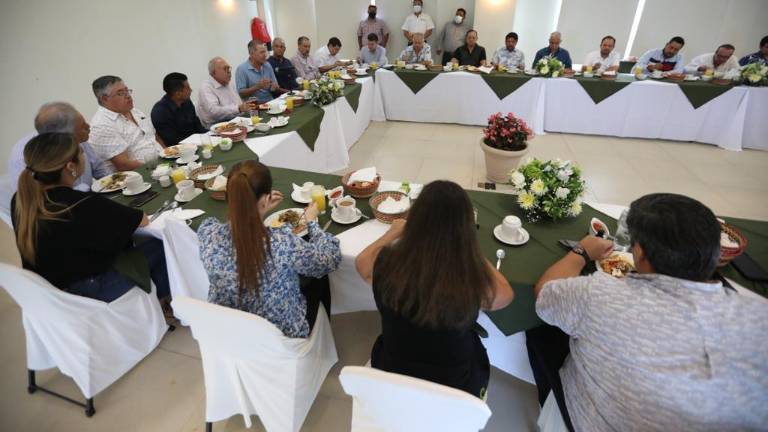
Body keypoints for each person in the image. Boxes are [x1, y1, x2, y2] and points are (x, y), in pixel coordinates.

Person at [527, 193, 768, 431]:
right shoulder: (758, 317)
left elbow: (546, 293)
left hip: (593, 421)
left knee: (542, 332)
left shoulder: (599, 294)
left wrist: (581, 252)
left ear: (640, 253)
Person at [355, 181, 514, 398]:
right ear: (465, 228)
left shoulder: (388, 263)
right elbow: (505, 296)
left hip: (393, 372)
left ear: (414, 220)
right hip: (455, 386)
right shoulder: (468, 277)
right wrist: (469, 247)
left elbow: (362, 263)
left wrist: (393, 232)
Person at [11, 132, 171, 304]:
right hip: (92, 289)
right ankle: (163, 302)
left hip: (52, 294)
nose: (84, 155)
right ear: (71, 166)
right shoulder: (80, 203)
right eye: (81, 152)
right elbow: (142, 220)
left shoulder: (22, 201)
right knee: (163, 244)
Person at [198, 160, 341, 338]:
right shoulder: (281, 241)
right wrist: (312, 222)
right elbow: (330, 259)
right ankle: (322, 339)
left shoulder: (207, 233)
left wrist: (259, 210)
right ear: (266, 199)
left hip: (231, 333)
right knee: (319, 277)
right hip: (282, 337)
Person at [8, 102, 104, 192]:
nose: (88, 126)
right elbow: (32, 199)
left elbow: (99, 169)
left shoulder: (79, 139)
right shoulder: (25, 156)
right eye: (83, 126)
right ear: (63, 137)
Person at [89, 75, 163, 174]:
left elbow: (153, 137)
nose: (128, 96)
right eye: (121, 93)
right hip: (140, 174)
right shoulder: (101, 125)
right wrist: (159, 166)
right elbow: (123, 165)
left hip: (162, 164)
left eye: (127, 91)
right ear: (104, 99)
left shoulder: (135, 111)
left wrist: (168, 154)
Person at [150, 72, 207, 147]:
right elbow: (173, 140)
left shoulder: (187, 101)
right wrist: (197, 142)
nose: (191, 90)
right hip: (180, 149)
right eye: (188, 88)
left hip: (197, 142)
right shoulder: (160, 112)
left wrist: (210, 135)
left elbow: (197, 125)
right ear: (178, 94)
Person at [198, 57, 254, 128]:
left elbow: (239, 104)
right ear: (213, 73)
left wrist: (244, 107)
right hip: (217, 125)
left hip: (236, 121)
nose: (229, 71)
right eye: (225, 69)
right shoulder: (206, 87)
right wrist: (238, 109)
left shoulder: (229, 83)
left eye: (229, 68)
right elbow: (213, 112)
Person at [235, 40, 278, 104]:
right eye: (262, 52)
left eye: (265, 52)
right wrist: (257, 87)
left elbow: (274, 86)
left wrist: (274, 88)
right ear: (251, 54)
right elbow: (241, 94)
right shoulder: (241, 69)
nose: (265, 55)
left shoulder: (267, 65)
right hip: (255, 107)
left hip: (270, 102)